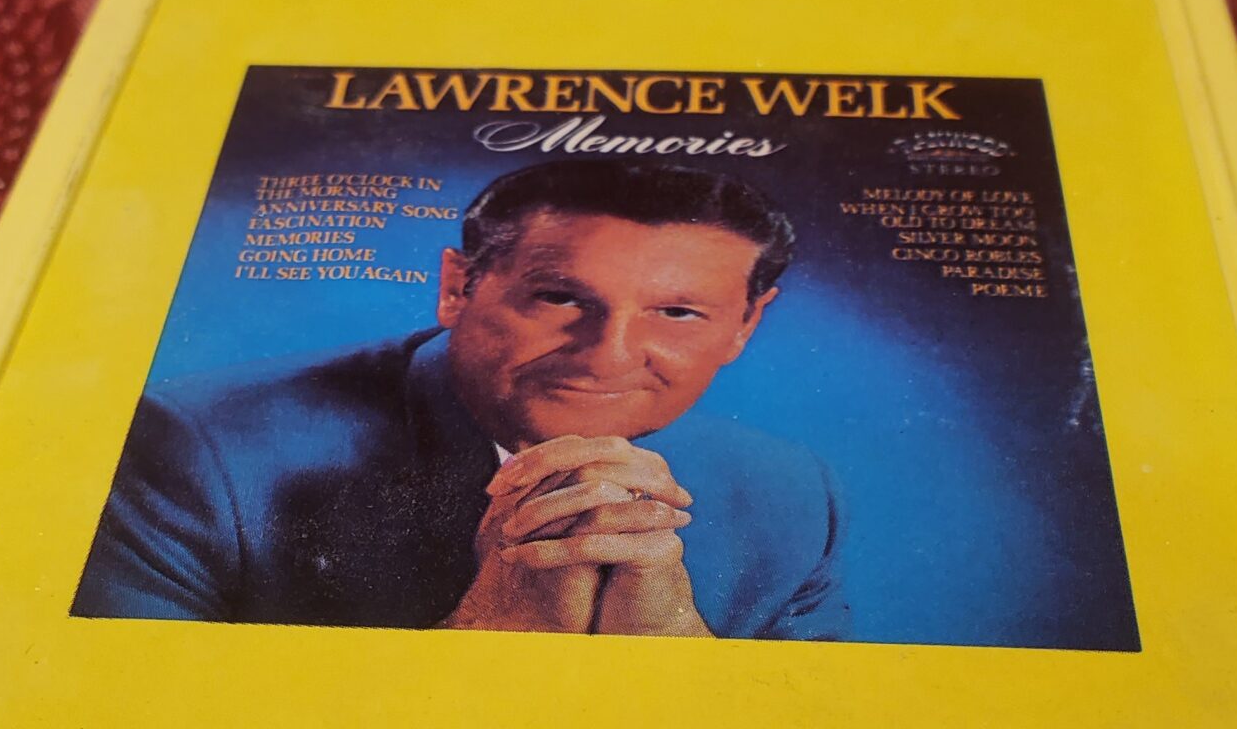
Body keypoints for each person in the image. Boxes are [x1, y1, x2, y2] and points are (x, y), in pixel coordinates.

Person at [72, 158, 847, 639]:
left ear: (746, 324)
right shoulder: (194, 451)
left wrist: (674, 647)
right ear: (457, 287)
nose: (608, 355)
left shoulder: (789, 494)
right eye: (558, 298)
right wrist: (491, 631)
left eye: (676, 313)